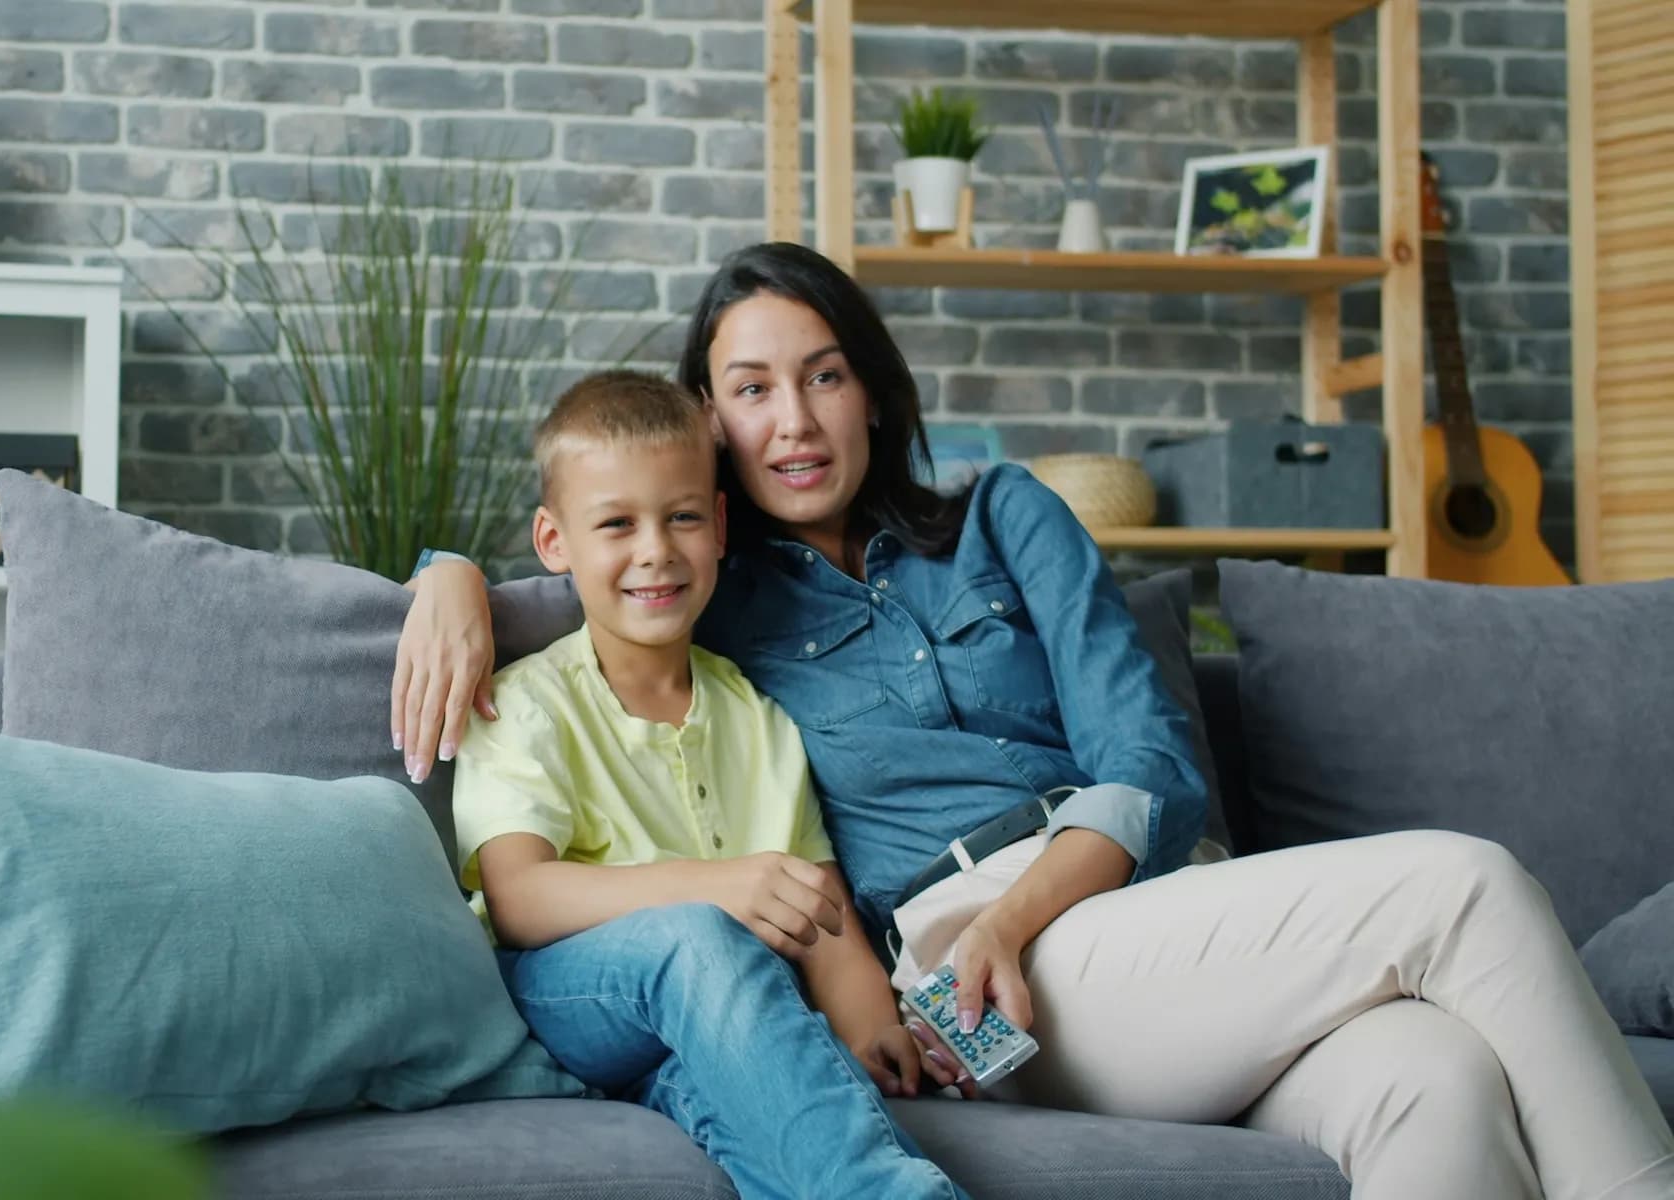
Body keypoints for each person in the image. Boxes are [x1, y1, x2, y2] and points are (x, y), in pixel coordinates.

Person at [398, 241, 1674, 1200]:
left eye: (825, 376)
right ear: (712, 431)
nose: (794, 420)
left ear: (876, 390)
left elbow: (1152, 764)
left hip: (1142, 910)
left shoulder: (1006, 514)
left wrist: (1023, 911)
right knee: (1469, 887)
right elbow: (586, 560)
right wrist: (444, 572)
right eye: (751, 390)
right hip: (985, 970)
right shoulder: (714, 592)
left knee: (1431, 1083)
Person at [450, 369, 964, 1200]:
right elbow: (518, 897)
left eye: (682, 516)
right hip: (569, 1000)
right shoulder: (526, 702)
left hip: (715, 1028)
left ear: (719, 525)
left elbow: (817, 912)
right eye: (616, 524)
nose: (655, 550)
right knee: (701, 937)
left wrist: (876, 1027)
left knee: (769, 1134)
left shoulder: (757, 715)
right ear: (555, 543)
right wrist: (717, 889)